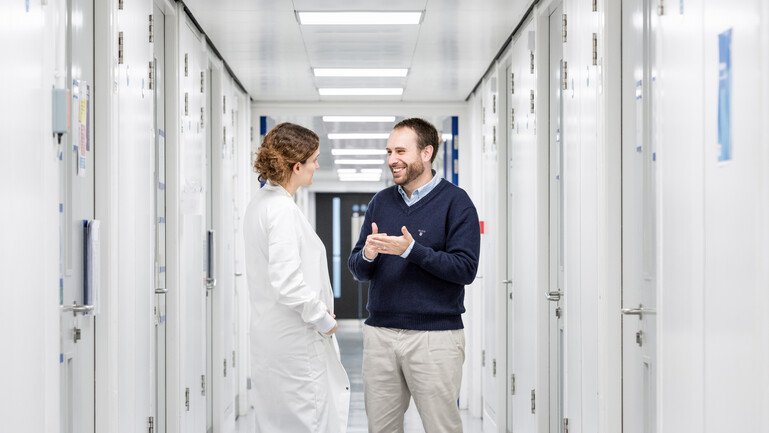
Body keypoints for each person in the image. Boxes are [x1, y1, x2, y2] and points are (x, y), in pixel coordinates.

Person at [348, 118, 481, 433]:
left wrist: (412, 250)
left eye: (400, 151)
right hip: (380, 335)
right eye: (389, 151)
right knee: (381, 428)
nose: (392, 159)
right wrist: (368, 253)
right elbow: (358, 268)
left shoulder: (456, 202)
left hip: (434, 338)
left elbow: (465, 268)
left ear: (426, 153)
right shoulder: (381, 202)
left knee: (441, 427)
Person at [244, 122, 349, 433]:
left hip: (274, 339)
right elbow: (288, 282)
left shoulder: (262, 204)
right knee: (307, 421)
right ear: (296, 165)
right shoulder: (280, 211)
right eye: (314, 159)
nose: (317, 165)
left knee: (279, 422)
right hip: (295, 343)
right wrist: (323, 320)